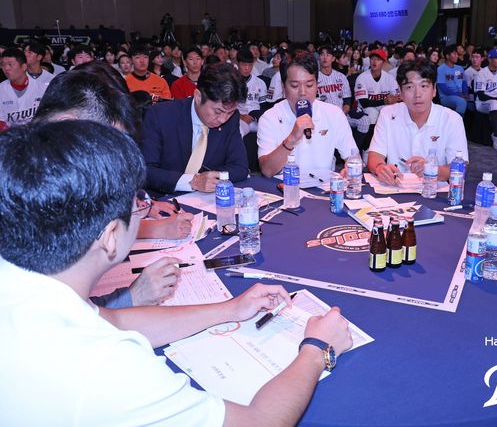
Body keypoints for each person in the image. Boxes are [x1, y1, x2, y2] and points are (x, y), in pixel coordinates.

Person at [0, 119, 352, 426]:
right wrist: (317, 348)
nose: (144, 212)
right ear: (109, 237)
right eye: (138, 205)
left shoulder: (27, 287)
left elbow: (111, 319)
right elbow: (257, 422)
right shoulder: (105, 366)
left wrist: (229, 310)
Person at [33, 64, 194, 307]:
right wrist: (132, 297)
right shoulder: (23, 196)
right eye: (107, 144)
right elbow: (56, 320)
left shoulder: (56, 172)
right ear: (66, 126)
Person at [141, 63, 249, 192]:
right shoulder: (160, 116)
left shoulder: (232, 119)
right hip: (165, 199)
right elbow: (146, 170)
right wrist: (193, 182)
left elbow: (240, 167)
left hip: (206, 201)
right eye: (218, 111)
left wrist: (212, 179)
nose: (223, 119)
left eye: (230, 112)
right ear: (198, 97)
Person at [367, 58, 468, 185]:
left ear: (434, 90)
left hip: (434, 192)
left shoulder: (452, 119)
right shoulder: (388, 114)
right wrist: (380, 168)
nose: (417, 94)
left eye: (424, 86)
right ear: (401, 93)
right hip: (394, 189)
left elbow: (460, 168)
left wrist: (433, 170)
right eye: (409, 87)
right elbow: (374, 156)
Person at [257, 52, 357, 177]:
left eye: (309, 85)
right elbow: (267, 170)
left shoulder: (334, 114)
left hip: (323, 189)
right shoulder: (269, 118)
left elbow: (353, 157)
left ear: (317, 85)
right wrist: (292, 139)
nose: (303, 92)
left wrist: (350, 169)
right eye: (294, 85)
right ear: (283, 87)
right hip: (286, 189)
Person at [317, 45, 370, 141]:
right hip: (323, 117)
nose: (325, 57)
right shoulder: (314, 78)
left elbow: (347, 100)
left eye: (328, 55)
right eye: (322, 54)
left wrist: (341, 115)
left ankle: (355, 150)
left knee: (365, 121)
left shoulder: (341, 76)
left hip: (342, 114)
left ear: (333, 58)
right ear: (319, 57)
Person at [0, 48, 49, 130]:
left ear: (23, 67)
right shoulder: (1, 89)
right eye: (3, 64)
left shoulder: (43, 89)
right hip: (10, 138)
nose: (6, 68)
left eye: (10, 64)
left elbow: (48, 118)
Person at [354, 48, 400, 125]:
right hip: (366, 107)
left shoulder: (389, 78)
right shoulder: (362, 78)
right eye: (372, 59)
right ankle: (370, 136)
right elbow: (364, 103)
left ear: (383, 62)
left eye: (378, 59)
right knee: (372, 114)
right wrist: (384, 101)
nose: (374, 62)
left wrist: (393, 99)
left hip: (383, 105)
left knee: (392, 114)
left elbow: (396, 97)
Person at [236, 48, 267, 137]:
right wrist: (241, 117)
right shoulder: (231, 82)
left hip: (255, 118)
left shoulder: (260, 82)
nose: (247, 68)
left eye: (250, 65)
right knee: (238, 132)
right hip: (240, 118)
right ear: (238, 64)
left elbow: (263, 106)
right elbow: (226, 108)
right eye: (243, 65)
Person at [436, 44, 469, 116]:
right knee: (461, 102)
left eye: (457, 54)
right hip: (447, 96)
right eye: (454, 54)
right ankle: (456, 124)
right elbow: (444, 88)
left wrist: (466, 93)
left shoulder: (460, 68)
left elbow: (464, 83)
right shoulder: (441, 69)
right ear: (447, 56)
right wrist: (459, 95)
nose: (457, 56)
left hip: (461, 95)